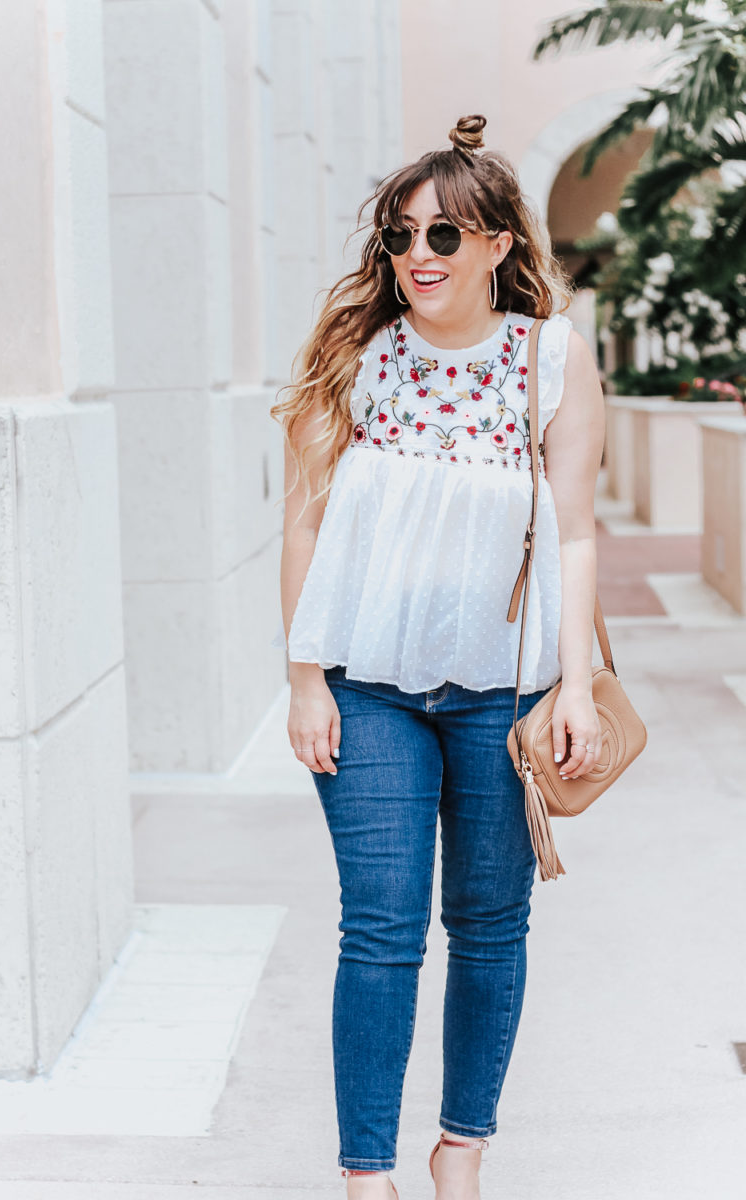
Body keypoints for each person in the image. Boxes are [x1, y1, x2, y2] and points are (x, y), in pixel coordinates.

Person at [269, 113, 605, 1200]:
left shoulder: (546, 359)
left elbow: (576, 528)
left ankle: (459, 1151)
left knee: (488, 925)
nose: (420, 255)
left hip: (501, 694)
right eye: (402, 235)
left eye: (446, 236)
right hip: (366, 691)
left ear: (500, 244)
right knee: (377, 929)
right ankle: (366, 1174)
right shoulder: (355, 361)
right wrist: (303, 677)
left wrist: (576, 684)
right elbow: (304, 528)